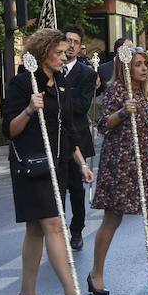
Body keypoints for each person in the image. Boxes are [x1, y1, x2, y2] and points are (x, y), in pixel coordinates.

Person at [1, 29, 94, 295]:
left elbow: (67, 130)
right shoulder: (21, 83)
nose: (64, 56)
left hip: (58, 165)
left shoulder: (61, 84)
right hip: (32, 166)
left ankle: (27, 293)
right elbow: (9, 130)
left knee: (35, 229)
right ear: (43, 52)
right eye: (59, 52)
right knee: (54, 225)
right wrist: (29, 109)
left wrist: (81, 162)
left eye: (66, 51)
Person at [88, 47, 148, 295]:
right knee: (113, 218)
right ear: (126, 67)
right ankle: (96, 272)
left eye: (144, 64)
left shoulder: (145, 91)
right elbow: (103, 124)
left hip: (145, 160)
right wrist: (121, 112)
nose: (143, 68)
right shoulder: (117, 89)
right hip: (121, 161)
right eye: (138, 64)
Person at [62, 24, 97, 251]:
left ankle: (77, 229)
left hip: (77, 136)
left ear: (80, 45)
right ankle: (57, 229)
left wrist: (61, 95)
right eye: (67, 41)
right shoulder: (51, 70)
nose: (71, 45)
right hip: (56, 137)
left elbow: (82, 106)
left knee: (76, 187)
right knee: (57, 186)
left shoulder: (87, 74)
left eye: (75, 41)